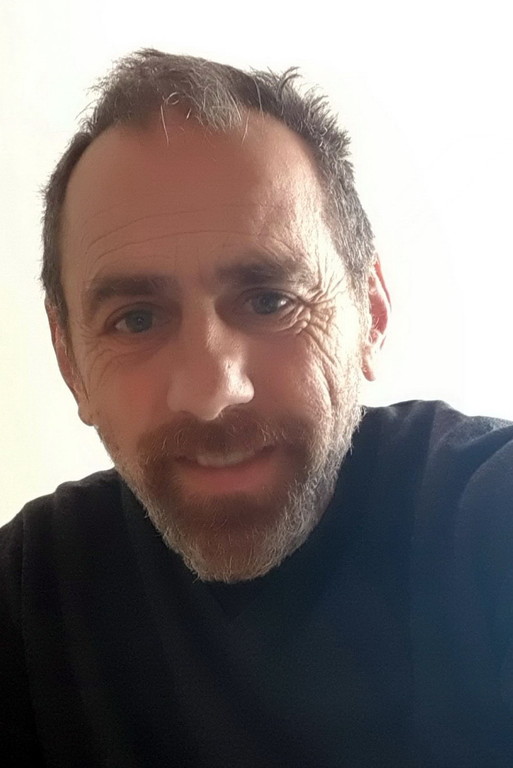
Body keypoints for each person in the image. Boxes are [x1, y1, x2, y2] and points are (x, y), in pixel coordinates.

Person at [1, 48, 513, 767]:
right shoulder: (32, 593)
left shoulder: (483, 516)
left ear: (369, 314)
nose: (213, 392)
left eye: (270, 301)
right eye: (137, 319)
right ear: (70, 364)